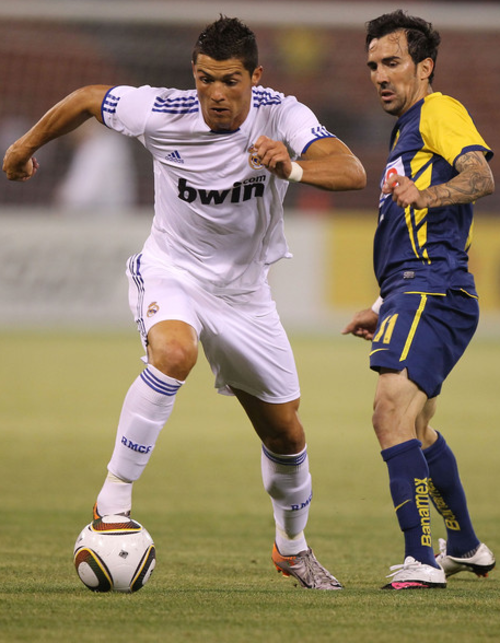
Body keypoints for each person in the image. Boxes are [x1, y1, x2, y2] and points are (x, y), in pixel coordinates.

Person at [3, 16, 366, 590]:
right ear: (191, 75)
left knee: (287, 436)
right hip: (172, 270)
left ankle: (292, 549)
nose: (215, 95)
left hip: (245, 295)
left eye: (229, 81)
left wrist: (290, 166)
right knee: (174, 354)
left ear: (255, 77)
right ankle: (112, 502)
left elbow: (351, 169)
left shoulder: (283, 113)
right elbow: (86, 100)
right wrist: (24, 147)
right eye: (204, 79)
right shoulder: (162, 110)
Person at [342, 10, 495, 590]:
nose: (380, 75)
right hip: (417, 290)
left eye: (393, 63)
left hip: (434, 288)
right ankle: (465, 546)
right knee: (418, 425)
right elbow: (411, 236)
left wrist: (424, 194)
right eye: (373, 66)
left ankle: (421, 560)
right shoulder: (406, 128)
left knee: (389, 412)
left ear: (424, 67)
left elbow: (480, 177)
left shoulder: (438, 110)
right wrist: (381, 306)